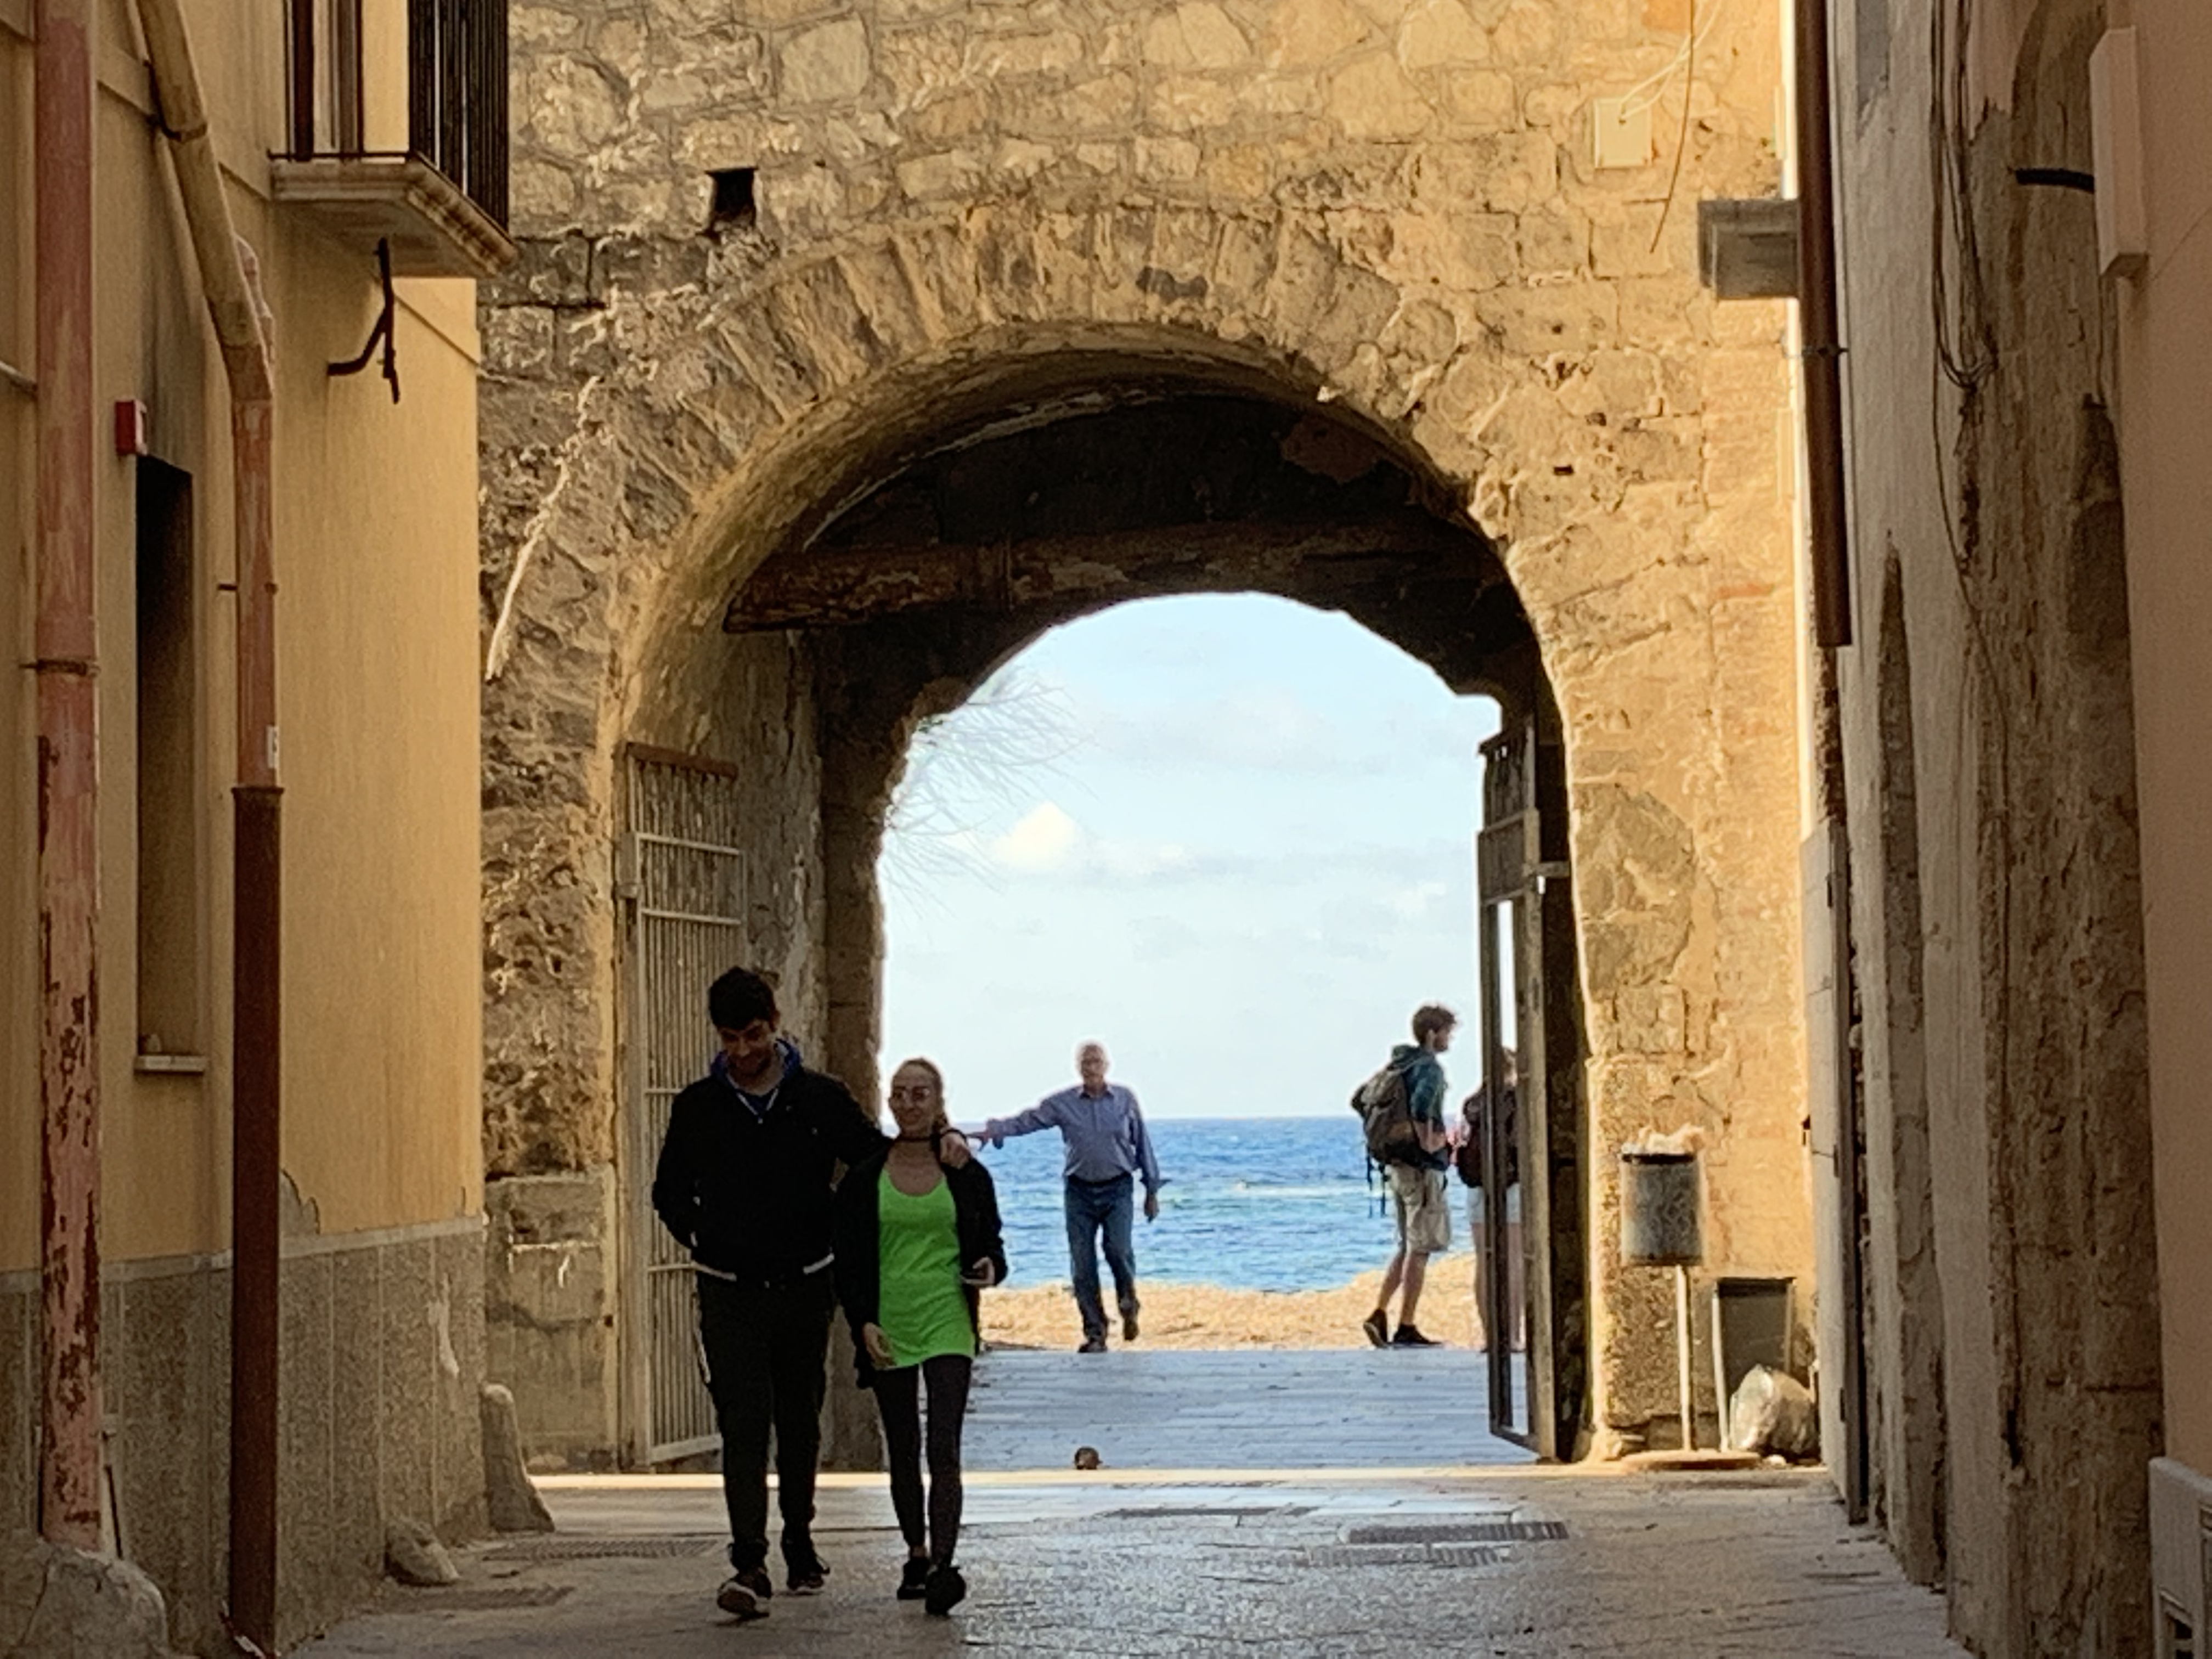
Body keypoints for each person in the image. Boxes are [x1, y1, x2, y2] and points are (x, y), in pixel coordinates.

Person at [650, 966, 967, 1624]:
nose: (743, 1051)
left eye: (754, 1034)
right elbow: (668, 1192)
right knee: (742, 1422)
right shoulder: (698, 1106)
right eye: (730, 1038)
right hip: (729, 1289)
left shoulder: (818, 1098)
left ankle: (799, 1539)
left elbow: (874, 1159)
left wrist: (943, 1141)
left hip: (806, 1284)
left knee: (799, 1419)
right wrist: (703, 1237)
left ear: (776, 1022)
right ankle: (748, 1561)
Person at [834, 1058, 1007, 1617]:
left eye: (921, 1094)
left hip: (947, 1318)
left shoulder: (965, 1171)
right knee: (903, 1445)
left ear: (938, 1101)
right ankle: (916, 1549)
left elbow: (994, 1247)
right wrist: (863, 1321)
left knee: (944, 1448)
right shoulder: (866, 1178)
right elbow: (850, 1263)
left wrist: (988, 1268)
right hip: (890, 1320)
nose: (909, 1104)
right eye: (900, 1094)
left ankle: (945, 1564)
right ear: (889, 1102)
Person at [980, 1042, 1162, 1353]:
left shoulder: (1124, 1099)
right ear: (1078, 1067)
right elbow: (1029, 1120)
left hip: (1118, 1187)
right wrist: (995, 1130)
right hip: (1079, 1191)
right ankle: (1095, 1333)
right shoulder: (1064, 1103)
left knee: (1118, 1250)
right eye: (1085, 1062)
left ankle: (1129, 1304)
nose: (1090, 1067)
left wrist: (1151, 1190)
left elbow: (1142, 1143)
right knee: (1082, 1266)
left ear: (1107, 1065)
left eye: (1096, 1061)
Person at [1361, 1003, 1457, 1349]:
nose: (1449, 1039)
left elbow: (1360, 1099)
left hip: (1395, 1165)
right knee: (1421, 1249)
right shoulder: (1428, 1068)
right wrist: (1433, 1143)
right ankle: (1406, 1324)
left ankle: (1379, 1312)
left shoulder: (1397, 1064)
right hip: (1420, 1167)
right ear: (1433, 1034)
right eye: (1447, 1032)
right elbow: (1421, 1108)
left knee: (1406, 1245)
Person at [1457, 1053, 1526, 1353]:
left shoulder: (1471, 1104)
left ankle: (1490, 1337)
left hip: (1478, 1187)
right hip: (1513, 1185)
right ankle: (1512, 1335)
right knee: (1513, 1260)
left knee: (1485, 1262)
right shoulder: (1520, 1101)